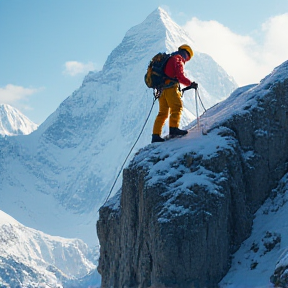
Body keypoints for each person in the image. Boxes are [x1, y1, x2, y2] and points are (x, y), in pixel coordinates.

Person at [151, 44, 198, 143]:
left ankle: (155, 135)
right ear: (187, 54)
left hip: (161, 90)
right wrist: (191, 84)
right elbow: (180, 76)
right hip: (170, 89)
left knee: (162, 113)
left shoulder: (169, 58)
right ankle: (174, 129)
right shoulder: (178, 59)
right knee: (177, 107)